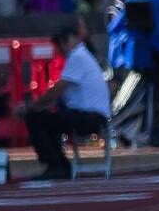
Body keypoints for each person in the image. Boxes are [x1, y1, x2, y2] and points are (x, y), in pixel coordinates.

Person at [19, 25, 112, 180]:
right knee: (46, 119)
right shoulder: (83, 56)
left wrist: (31, 107)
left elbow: (58, 90)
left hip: (88, 117)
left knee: (35, 119)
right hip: (92, 115)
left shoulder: (77, 57)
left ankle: (57, 165)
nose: (60, 51)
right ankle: (59, 164)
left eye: (59, 47)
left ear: (66, 42)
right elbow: (59, 95)